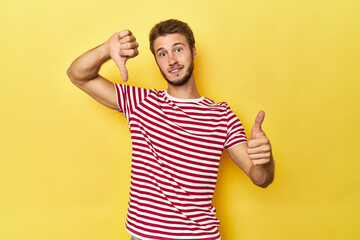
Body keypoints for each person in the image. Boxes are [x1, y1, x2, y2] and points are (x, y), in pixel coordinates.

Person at [67, 19, 274, 240]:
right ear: (157, 60)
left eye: (178, 49)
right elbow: (77, 74)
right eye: (162, 54)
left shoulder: (222, 115)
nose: (172, 60)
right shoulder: (141, 102)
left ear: (193, 51)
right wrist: (107, 49)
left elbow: (260, 178)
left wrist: (264, 161)